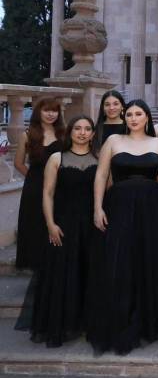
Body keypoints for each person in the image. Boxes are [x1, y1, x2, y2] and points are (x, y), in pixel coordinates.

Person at [91, 100, 158, 355]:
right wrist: (98, 208)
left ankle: (148, 320)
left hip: (153, 210)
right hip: (119, 208)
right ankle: (121, 320)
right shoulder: (113, 141)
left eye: (138, 114)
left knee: (147, 261)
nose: (133, 118)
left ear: (147, 118)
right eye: (129, 114)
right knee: (120, 261)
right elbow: (101, 176)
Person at [28, 115, 97, 347]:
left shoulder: (99, 159)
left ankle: (86, 322)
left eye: (87, 129)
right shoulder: (57, 158)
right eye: (77, 128)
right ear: (70, 132)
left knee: (88, 273)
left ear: (93, 134)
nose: (82, 132)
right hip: (63, 224)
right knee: (62, 275)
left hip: (91, 226)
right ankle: (63, 324)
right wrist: (50, 224)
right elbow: (47, 193)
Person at [15, 97, 65, 270]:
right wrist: (35, 178)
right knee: (34, 226)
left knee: (56, 224)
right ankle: (36, 268)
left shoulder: (64, 134)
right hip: (34, 189)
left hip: (59, 187)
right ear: (38, 112)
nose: (51, 114)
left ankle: (54, 268)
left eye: (54, 110)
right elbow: (18, 163)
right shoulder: (27, 134)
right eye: (46, 110)